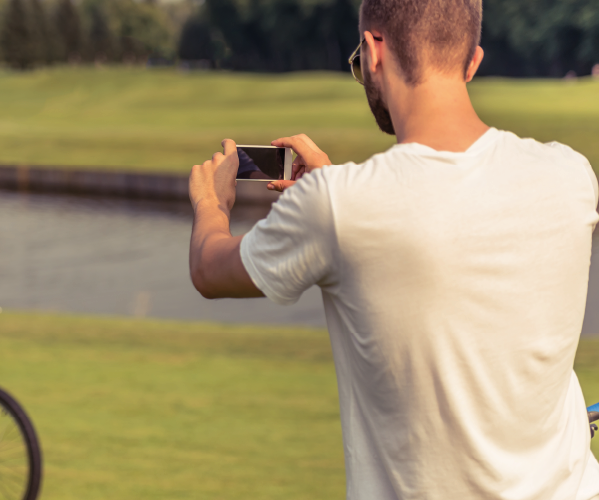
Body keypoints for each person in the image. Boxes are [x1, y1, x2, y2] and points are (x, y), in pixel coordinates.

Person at [188, 0, 599, 498]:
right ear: (472, 62)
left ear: (374, 51)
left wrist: (212, 202)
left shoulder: (337, 207)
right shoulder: (571, 175)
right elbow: (454, 220)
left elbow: (209, 269)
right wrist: (335, 201)